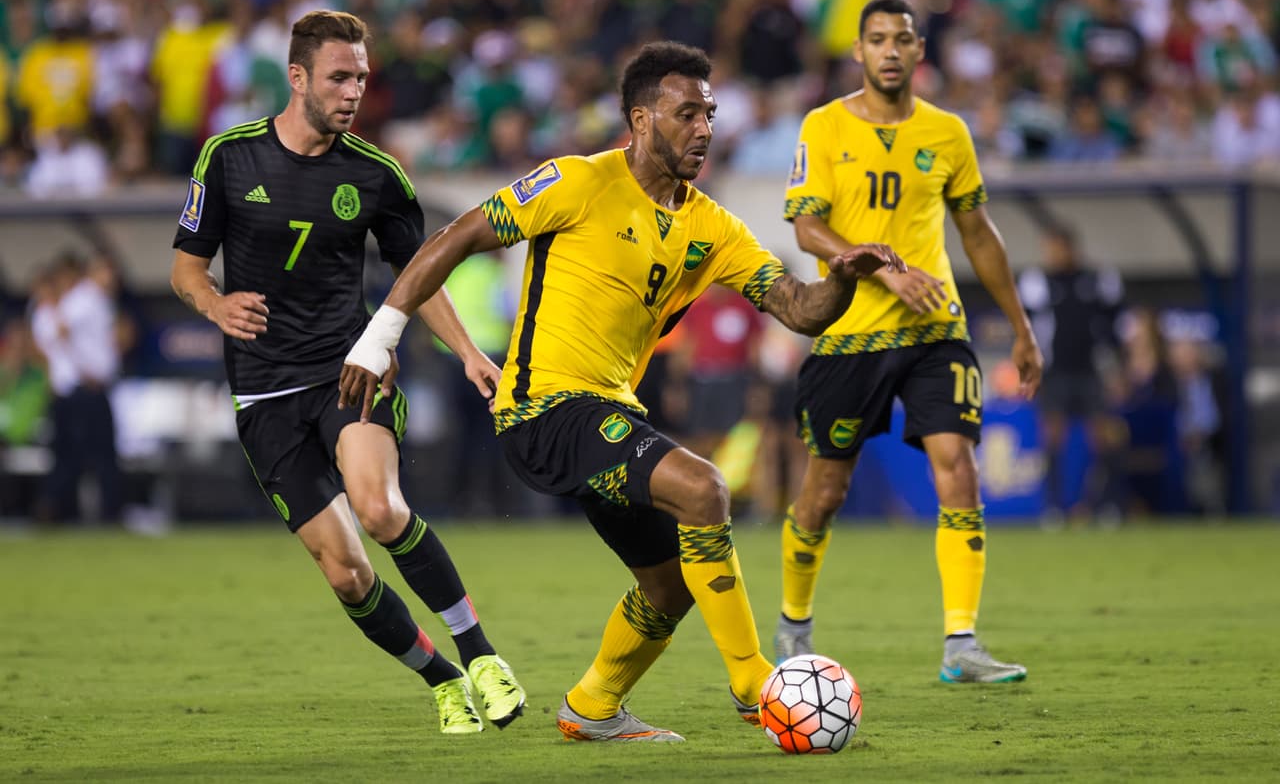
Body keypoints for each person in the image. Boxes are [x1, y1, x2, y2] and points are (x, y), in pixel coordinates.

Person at [339, 41, 903, 742]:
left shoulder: (711, 225)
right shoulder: (577, 181)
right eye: (686, 113)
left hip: (609, 411)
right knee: (704, 489)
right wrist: (380, 335)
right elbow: (453, 239)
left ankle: (593, 705)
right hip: (543, 408)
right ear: (640, 119)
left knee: (668, 587)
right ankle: (755, 679)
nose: (704, 128)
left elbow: (799, 306)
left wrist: (843, 277)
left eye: (710, 113)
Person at [168, 10, 525, 735]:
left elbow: (418, 274)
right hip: (263, 392)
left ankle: (482, 653)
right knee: (346, 572)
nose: (355, 89)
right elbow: (185, 268)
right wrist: (214, 302)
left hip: (347, 370)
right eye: (340, 75)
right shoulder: (228, 158)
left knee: (381, 507)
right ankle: (442, 677)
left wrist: (468, 352)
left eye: (362, 76)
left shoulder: (376, 173)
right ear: (296, 78)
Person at [773, 0, 1044, 684]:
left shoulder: (949, 132)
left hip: (936, 328)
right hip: (848, 338)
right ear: (858, 53)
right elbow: (808, 229)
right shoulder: (825, 125)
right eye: (877, 39)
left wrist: (1019, 325)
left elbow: (978, 234)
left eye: (902, 38)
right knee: (823, 494)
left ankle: (962, 643)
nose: (890, 50)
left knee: (958, 465)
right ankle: (793, 624)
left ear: (920, 51)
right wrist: (882, 267)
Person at [1017, 224, 1126, 527]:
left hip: (1091, 370)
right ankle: (1053, 508)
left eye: (1056, 248)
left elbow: (1114, 326)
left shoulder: (1098, 280)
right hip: (1055, 372)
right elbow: (1025, 327)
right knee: (1053, 438)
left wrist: (1118, 367)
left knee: (1103, 437)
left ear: (1071, 248)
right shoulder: (1037, 281)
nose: (1051, 255)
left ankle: (1108, 505)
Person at [29, 252, 124, 525]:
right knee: (97, 454)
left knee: (81, 454)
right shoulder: (85, 298)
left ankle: (62, 509)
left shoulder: (94, 299)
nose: (112, 278)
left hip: (86, 386)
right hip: (86, 388)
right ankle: (104, 513)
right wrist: (83, 368)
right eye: (107, 271)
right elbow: (58, 332)